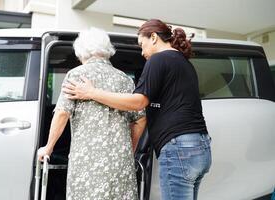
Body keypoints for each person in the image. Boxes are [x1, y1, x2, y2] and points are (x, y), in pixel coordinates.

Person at [63, 19, 212, 200]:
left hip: (179, 148)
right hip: (201, 148)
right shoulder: (183, 62)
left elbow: (138, 102)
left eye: (142, 45)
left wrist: (92, 92)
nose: (142, 52)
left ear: (154, 37)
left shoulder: (158, 59)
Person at [38, 27, 146, 200]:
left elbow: (62, 113)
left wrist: (48, 147)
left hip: (87, 162)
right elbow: (140, 119)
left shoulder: (77, 75)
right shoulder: (125, 79)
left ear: (82, 51)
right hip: (121, 162)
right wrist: (129, 149)